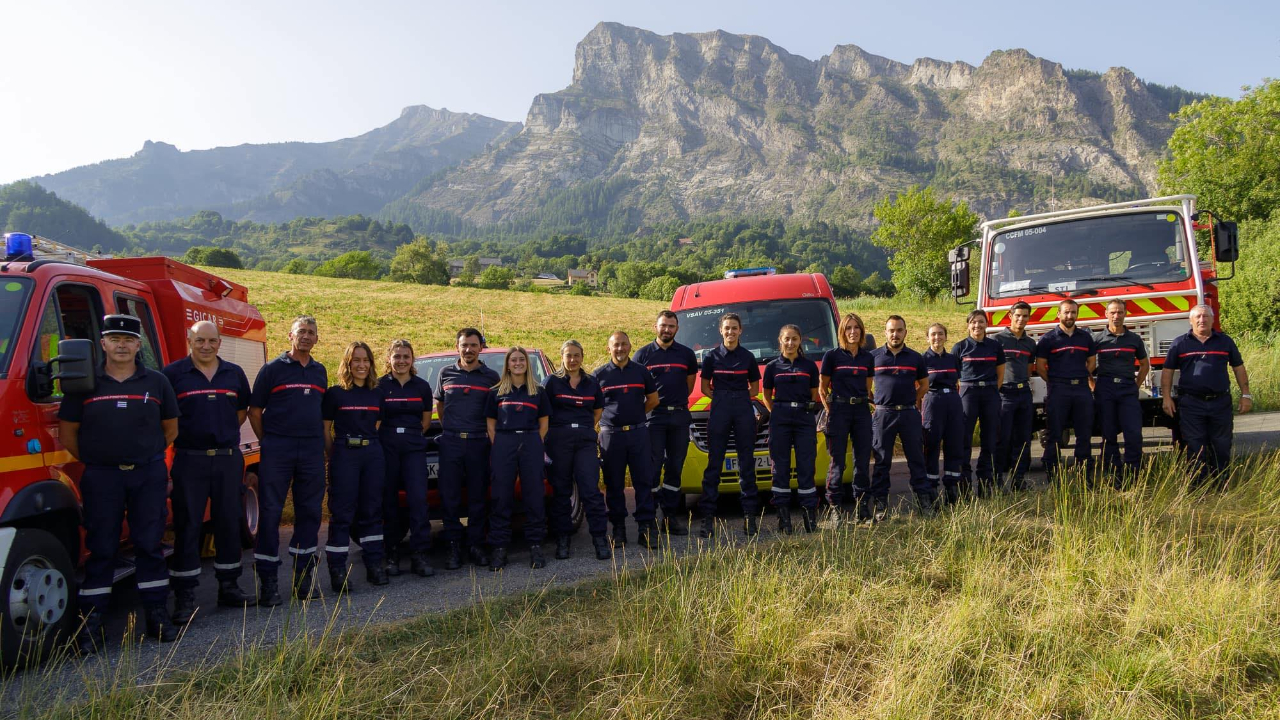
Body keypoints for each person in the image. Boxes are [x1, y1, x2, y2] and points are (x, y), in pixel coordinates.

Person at [59, 314, 180, 653]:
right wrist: (101, 458)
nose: (122, 345)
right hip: (102, 477)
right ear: (103, 344)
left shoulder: (156, 383)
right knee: (102, 550)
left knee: (149, 546)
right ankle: (90, 626)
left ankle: (157, 616)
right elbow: (68, 433)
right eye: (115, 339)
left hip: (147, 474)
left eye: (128, 339)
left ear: (138, 345)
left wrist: (147, 455)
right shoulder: (85, 384)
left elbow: (170, 428)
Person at [162, 320, 255, 629]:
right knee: (188, 525)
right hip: (190, 459)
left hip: (228, 458)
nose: (206, 345)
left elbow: (240, 412)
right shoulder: (173, 375)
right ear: (189, 340)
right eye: (199, 340)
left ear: (219, 343)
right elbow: (166, 417)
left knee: (229, 522)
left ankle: (229, 587)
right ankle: (185, 596)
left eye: (212, 340)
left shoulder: (234, 373)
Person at [249, 315, 328, 605]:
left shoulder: (320, 372)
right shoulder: (272, 370)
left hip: (310, 451)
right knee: (271, 514)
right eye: (301, 332)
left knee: (309, 514)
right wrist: (268, 441)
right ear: (290, 336)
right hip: (278, 449)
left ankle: (303, 579)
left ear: (317, 339)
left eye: (311, 332)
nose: (306, 336)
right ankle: (268, 582)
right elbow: (254, 411)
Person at [1160, 304, 1252, 486]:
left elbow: (1238, 368)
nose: (1202, 320)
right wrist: (1166, 397)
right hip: (1191, 403)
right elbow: (1168, 371)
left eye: (1205, 316)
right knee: (1195, 447)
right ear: (1191, 320)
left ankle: (1221, 485)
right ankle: (1197, 488)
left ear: (1212, 319)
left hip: (1220, 403)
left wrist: (1246, 395)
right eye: (1198, 317)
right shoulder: (1180, 343)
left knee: (1222, 445)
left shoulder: (1225, 341)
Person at [322, 341, 388, 592]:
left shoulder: (377, 393)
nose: (361, 365)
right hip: (344, 453)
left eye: (365, 360)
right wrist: (335, 454)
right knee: (342, 513)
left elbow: (377, 425)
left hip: (372, 453)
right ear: (348, 364)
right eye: (356, 360)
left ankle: (374, 564)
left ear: (371, 364)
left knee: (372, 511)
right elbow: (325, 429)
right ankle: (337, 570)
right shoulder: (335, 393)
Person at [435, 328, 501, 568]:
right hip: (451, 443)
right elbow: (441, 409)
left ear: (480, 347)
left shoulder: (491, 377)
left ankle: (476, 544)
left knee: (477, 497)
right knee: (449, 497)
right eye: (464, 345)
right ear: (457, 347)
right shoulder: (445, 374)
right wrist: (452, 430)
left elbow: (495, 412)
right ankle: (453, 546)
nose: (468, 349)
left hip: (478, 443)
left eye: (473, 345)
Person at [633, 310, 699, 536]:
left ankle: (670, 517)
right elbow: (637, 390)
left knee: (674, 467)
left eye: (671, 326)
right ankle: (650, 518)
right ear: (655, 327)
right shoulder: (642, 356)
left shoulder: (687, 355)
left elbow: (689, 387)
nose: (667, 330)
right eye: (663, 325)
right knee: (652, 467)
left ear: (677, 329)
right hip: (654, 418)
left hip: (679, 417)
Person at [544, 340, 612, 560]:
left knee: (590, 491)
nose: (572, 360)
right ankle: (563, 540)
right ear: (561, 357)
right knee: (562, 491)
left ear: (582, 357)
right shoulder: (551, 383)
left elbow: (598, 410)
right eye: (568, 355)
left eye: (576, 355)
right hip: (558, 441)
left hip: (584, 441)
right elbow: (543, 413)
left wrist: (582, 428)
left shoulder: (591, 383)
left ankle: (600, 540)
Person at [697, 313, 763, 538]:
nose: (730, 332)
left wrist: (738, 398)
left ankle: (749, 517)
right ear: (721, 331)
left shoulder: (747, 357)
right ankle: (707, 519)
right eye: (727, 328)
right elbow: (706, 387)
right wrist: (722, 398)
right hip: (720, 408)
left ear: (740, 331)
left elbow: (754, 388)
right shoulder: (711, 357)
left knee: (746, 463)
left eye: (734, 328)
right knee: (714, 463)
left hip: (743, 407)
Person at [485, 347, 552, 570]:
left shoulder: (538, 392)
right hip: (503, 443)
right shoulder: (496, 392)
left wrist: (532, 443)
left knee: (534, 494)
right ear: (507, 364)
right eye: (513, 360)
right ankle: (500, 548)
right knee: (501, 496)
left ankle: (535, 546)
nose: (517, 363)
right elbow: (491, 426)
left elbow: (544, 424)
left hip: (531, 441)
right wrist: (503, 445)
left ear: (527, 363)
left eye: (521, 359)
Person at [596, 331, 661, 548]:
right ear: (609, 348)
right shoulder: (599, 375)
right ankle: (618, 530)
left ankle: (645, 529)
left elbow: (653, 400)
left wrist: (635, 415)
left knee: (643, 481)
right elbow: (594, 408)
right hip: (611, 435)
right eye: (616, 345)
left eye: (624, 344)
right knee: (613, 484)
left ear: (630, 346)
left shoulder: (641, 372)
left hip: (638, 433)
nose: (620, 349)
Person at [378, 339, 434, 578]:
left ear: (412, 360)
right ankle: (391, 555)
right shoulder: (379, 386)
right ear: (389, 358)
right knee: (389, 502)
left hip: (413, 448)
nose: (401, 361)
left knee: (419, 501)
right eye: (397, 356)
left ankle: (419, 555)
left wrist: (409, 437)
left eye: (406, 357)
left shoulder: (421, 387)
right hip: (387, 448)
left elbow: (426, 421)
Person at [868, 315, 929, 522]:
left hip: (909, 413)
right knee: (882, 460)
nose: (895, 334)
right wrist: (876, 403)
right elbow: (866, 387)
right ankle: (880, 504)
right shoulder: (873, 357)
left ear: (905, 332)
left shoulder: (915, 357)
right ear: (885, 332)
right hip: (883, 414)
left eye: (899, 330)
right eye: (891, 330)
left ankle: (923, 501)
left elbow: (924, 384)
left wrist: (914, 399)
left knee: (916, 458)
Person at [760, 325, 820, 533]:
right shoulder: (772, 367)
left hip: (804, 418)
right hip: (780, 418)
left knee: (806, 466)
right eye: (787, 339)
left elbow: (814, 392)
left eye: (794, 339)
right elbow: (766, 395)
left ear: (800, 340)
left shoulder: (809, 366)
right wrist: (776, 412)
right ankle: (783, 516)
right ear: (780, 340)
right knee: (780, 468)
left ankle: (809, 514)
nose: (791, 343)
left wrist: (804, 410)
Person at [819, 313, 874, 522]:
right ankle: (835, 507)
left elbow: (867, 388)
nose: (853, 331)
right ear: (842, 331)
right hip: (839, 411)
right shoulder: (831, 356)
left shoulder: (867, 357)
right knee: (837, 462)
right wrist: (830, 410)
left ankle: (862, 506)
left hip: (860, 411)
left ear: (861, 331)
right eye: (848, 328)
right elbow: (823, 389)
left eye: (856, 328)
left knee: (861, 461)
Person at [1035, 299, 1097, 479]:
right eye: (1066, 312)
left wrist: (1079, 375)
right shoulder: (1048, 339)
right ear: (1058, 314)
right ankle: (1052, 473)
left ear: (1077, 314)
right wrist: (1055, 381)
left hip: (1081, 390)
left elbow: (1092, 362)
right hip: (1058, 390)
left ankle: (1084, 473)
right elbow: (1040, 366)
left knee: (1084, 432)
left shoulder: (1085, 337)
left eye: (1073, 312)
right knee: (1054, 432)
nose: (1070, 316)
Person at [1093, 299, 1150, 485]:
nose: (1116, 316)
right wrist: (1093, 387)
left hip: (1127, 389)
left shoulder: (1134, 339)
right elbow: (1086, 365)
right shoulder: (1098, 339)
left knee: (1133, 433)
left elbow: (1144, 364)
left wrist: (1136, 385)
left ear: (1125, 314)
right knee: (1108, 434)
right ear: (1106, 314)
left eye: (1120, 312)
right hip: (1105, 388)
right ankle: (1114, 475)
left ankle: (1133, 473)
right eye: (1113, 312)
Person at [954, 310, 1005, 496]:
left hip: (990, 392)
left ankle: (985, 482)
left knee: (990, 439)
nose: (977, 326)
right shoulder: (960, 347)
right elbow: (954, 376)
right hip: (968, 393)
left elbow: (1001, 373)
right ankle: (965, 482)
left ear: (987, 324)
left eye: (981, 322)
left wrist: (992, 390)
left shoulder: (995, 346)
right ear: (968, 325)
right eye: (974, 322)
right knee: (964, 438)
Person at [922, 323, 964, 508]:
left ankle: (951, 488)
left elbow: (960, 380)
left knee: (954, 444)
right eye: (933, 334)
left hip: (953, 402)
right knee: (932, 444)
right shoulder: (922, 360)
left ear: (946, 337)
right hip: (932, 401)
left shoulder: (953, 359)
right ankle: (931, 488)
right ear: (927, 338)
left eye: (940, 334)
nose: (937, 338)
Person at [995, 301, 1037, 490]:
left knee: (1023, 439)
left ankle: (1018, 480)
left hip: (1024, 394)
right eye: (1018, 315)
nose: (1021, 319)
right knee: (1002, 439)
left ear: (1029, 317)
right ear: (1010, 316)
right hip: (1004, 394)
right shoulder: (997, 340)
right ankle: (997, 481)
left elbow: (1029, 369)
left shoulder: (1030, 343)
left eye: (1025, 316)